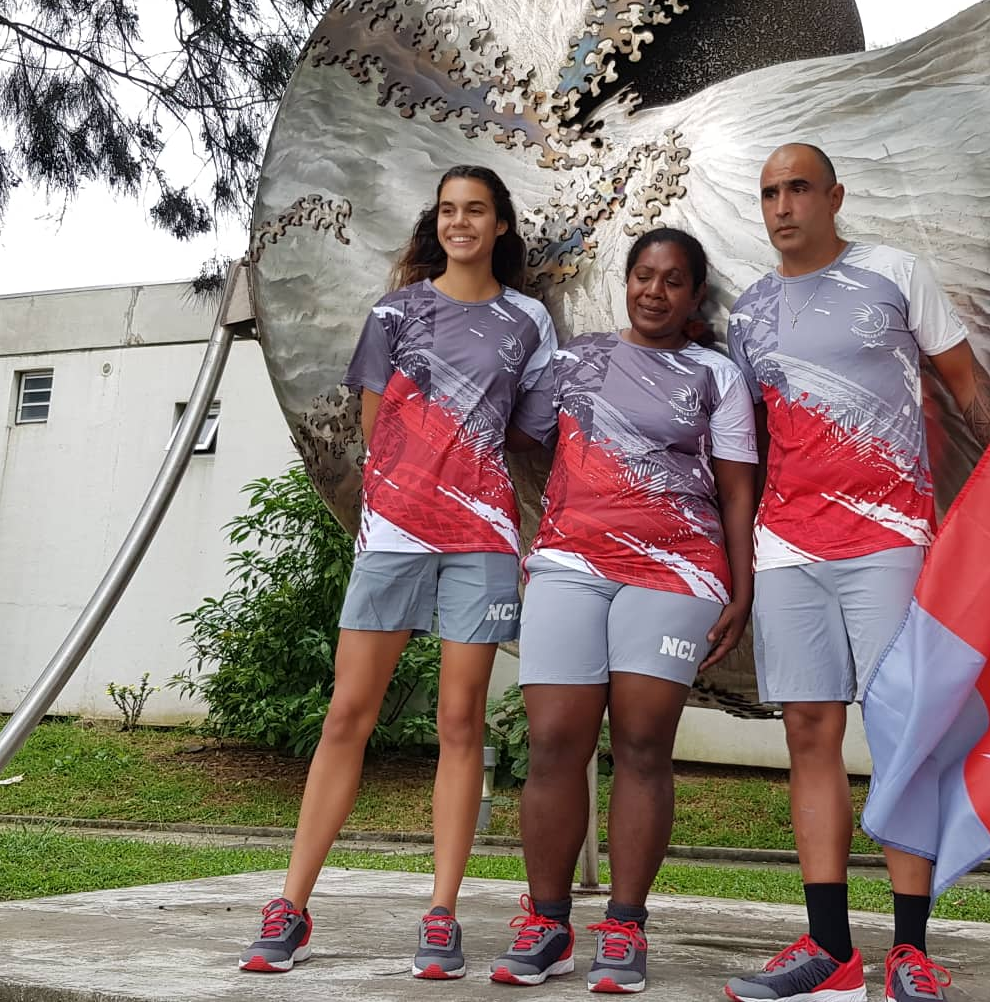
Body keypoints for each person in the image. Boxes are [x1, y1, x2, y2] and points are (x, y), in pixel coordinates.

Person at [238, 165, 557, 978]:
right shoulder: (395, 313)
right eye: (448, 211)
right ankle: (291, 906)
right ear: (436, 223)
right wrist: (410, 497)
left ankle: (442, 914)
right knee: (349, 714)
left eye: (475, 211)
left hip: (483, 538)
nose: (460, 223)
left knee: (461, 724)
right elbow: (378, 435)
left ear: (501, 226)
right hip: (393, 536)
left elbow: (529, 430)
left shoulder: (528, 322)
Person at [723, 144, 990, 1002]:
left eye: (799, 187)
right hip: (788, 548)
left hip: (888, 540)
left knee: (903, 735)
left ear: (835, 196)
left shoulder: (894, 272)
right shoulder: (749, 314)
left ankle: (910, 949)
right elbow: (747, 442)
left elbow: (966, 388)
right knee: (809, 732)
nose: (783, 205)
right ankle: (831, 949)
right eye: (770, 192)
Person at [488, 228, 760, 993]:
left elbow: (738, 490)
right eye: (643, 276)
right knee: (552, 742)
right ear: (626, 281)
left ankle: (625, 928)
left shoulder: (717, 377)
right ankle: (547, 925)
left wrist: (741, 588)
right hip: (570, 563)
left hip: (676, 574)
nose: (654, 292)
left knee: (643, 742)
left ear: (694, 295)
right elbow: (516, 440)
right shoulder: (572, 361)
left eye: (673, 281)